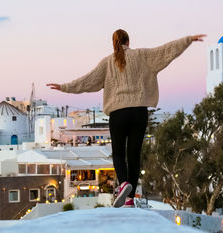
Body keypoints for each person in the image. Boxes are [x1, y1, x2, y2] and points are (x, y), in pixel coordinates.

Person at [47, 29, 206, 208]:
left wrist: (64, 87)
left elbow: (86, 82)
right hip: (139, 113)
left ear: (113, 43)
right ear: (128, 42)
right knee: (134, 155)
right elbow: (166, 51)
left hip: (118, 114)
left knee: (118, 153)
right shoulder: (141, 56)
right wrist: (188, 40)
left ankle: (123, 185)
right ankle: (129, 199)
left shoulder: (107, 62)